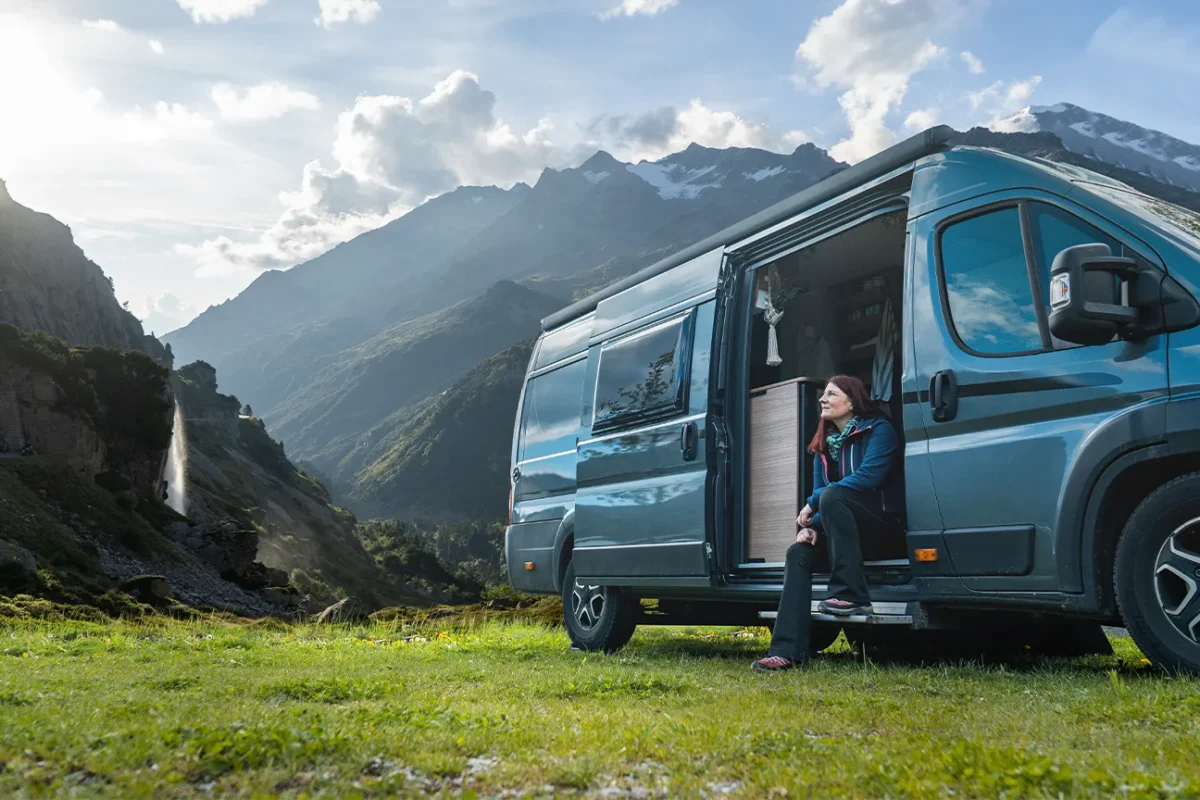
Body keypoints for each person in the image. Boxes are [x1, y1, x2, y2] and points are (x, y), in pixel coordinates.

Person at [751, 375, 905, 671]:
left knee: (833, 494)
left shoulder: (879, 430)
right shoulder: (822, 447)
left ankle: (850, 596)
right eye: (823, 395)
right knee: (798, 553)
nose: (823, 399)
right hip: (844, 536)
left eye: (831, 394)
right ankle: (786, 651)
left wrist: (813, 502)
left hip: (884, 529)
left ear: (852, 401)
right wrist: (812, 528)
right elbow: (827, 503)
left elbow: (867, 479)